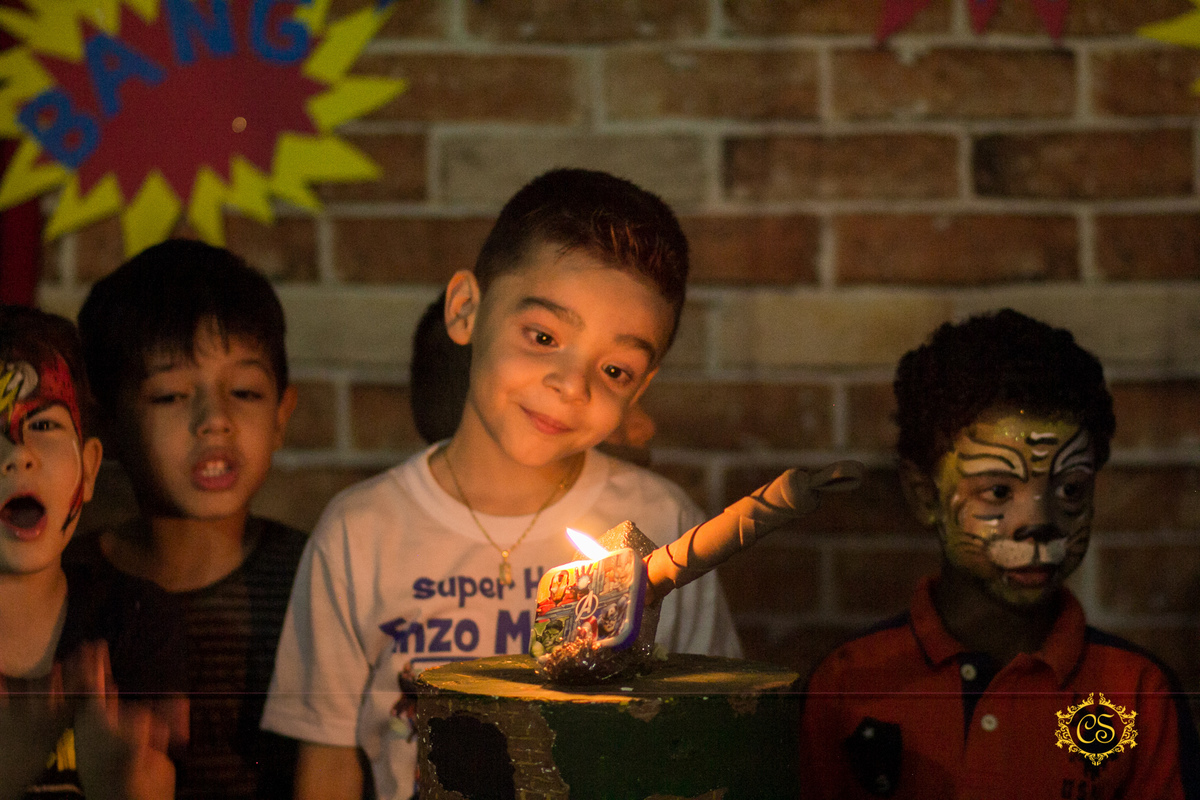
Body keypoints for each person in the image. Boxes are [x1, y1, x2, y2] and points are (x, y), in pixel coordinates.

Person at [262, 168, 742, 799]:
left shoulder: (663, 526)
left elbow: (714, 742)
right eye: (543, 337)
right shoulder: (361, 530)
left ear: (641, 387)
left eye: (616, 369)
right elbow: (326, 766)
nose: (572, 385)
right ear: (466, 309)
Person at [799, 309, 1200, 799]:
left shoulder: (1136, 693)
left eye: (1070, 489)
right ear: (925, 496)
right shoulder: (849, 682)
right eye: (997, 491)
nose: (1039, 521)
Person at [69, 240, 304, 799]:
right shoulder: (64, 586)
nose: (215, 421)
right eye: (171, 396)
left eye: (244, 391)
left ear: (281, 415)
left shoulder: (318, 576)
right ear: (105, 428)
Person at [0, 305, 186, 800]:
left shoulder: (132, 621)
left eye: (43, 426)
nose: (19, 453)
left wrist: (117, 780)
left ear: (89, 467)